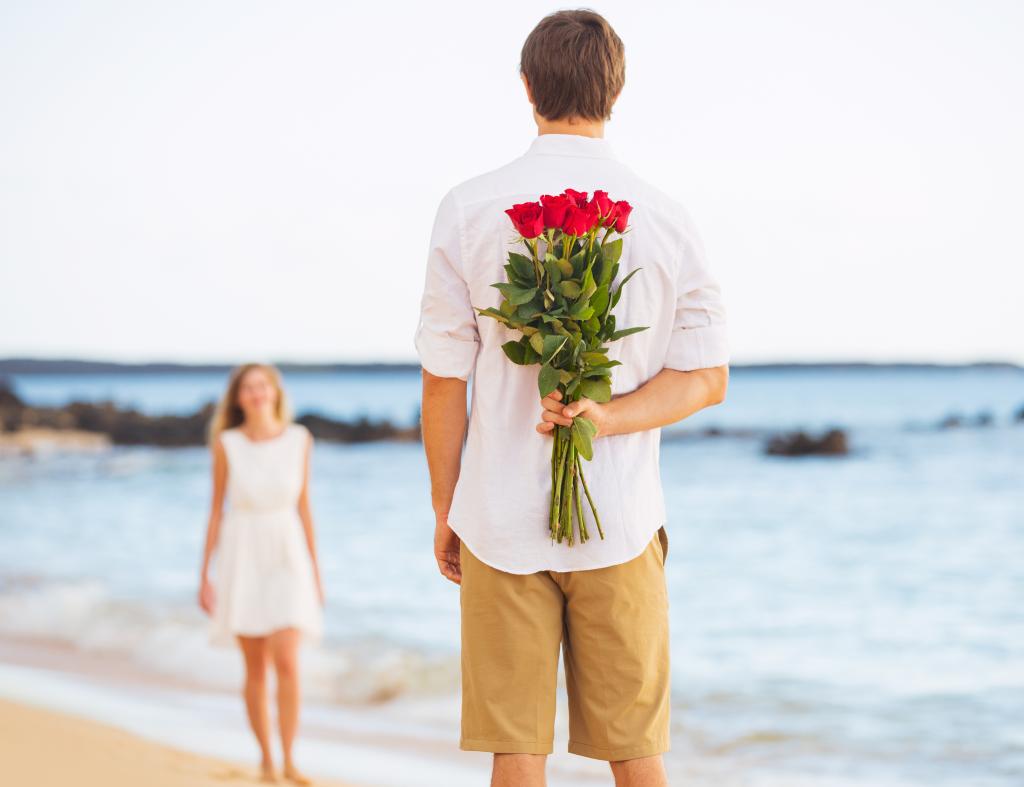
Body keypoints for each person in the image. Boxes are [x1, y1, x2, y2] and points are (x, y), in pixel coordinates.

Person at [415, 9, 730, 787]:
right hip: (621, 518)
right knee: (636, 751)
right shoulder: (665, 216)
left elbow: (443, 378)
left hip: (498, 516)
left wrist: (445, 507)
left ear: (527, 87)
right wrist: (609, 415)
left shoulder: (467, 207)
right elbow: (706, 376)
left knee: (516, 749)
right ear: (616, 89)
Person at [199, 363, 324, 785]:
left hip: (287, 550)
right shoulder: (227, 443)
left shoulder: (299, 439)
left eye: (262, 386)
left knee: (287, 662)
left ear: (274, 393)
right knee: (255, 668)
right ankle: (267, 761)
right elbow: (216, 509)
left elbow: (305, 506)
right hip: (242, 553)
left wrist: (316, 569)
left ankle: (290, 759)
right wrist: (205, 575)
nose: (255, 394)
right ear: (238, 398)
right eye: (247, 388)